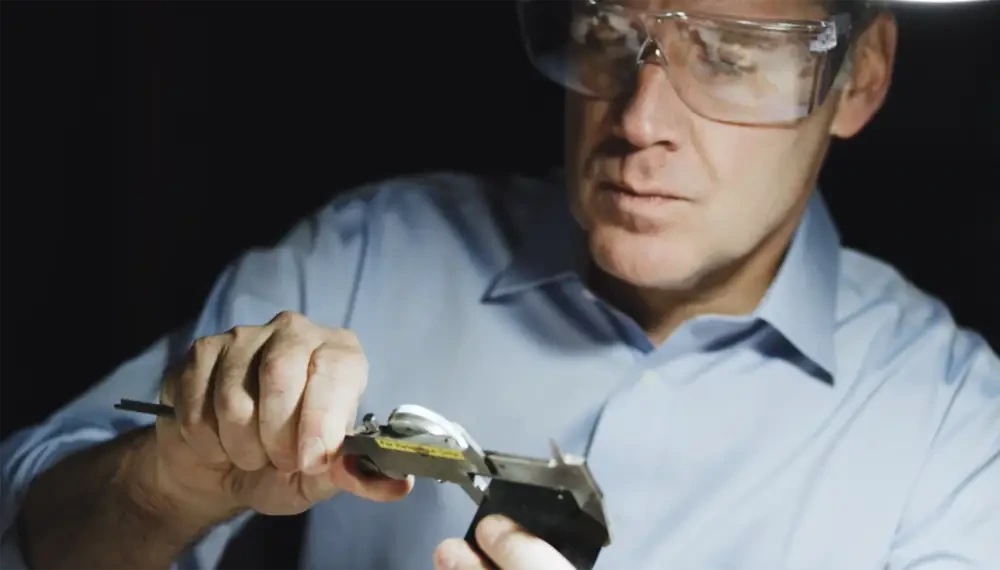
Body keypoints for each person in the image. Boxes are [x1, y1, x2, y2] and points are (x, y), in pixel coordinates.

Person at [2, 0, 998, 568]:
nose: (641, 116)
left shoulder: (957, 435)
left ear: (858, 80)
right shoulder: (357, 259)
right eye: (610, 36)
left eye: (731, 58)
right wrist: (161, 488)